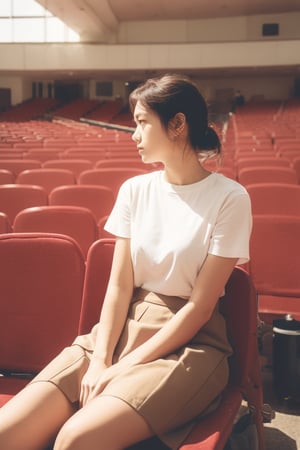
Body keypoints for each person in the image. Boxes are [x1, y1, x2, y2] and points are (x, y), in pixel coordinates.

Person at [0, 74, 252, 450]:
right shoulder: (134, 190)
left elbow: (200, 308)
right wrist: (102, 358)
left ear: (178, 124)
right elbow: (119, 287)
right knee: (8, 432)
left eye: (141, 122)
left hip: (190, 343)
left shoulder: (230, 198)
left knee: (74, 439)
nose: (132, 134)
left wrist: (124, 366)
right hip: (120, 329)